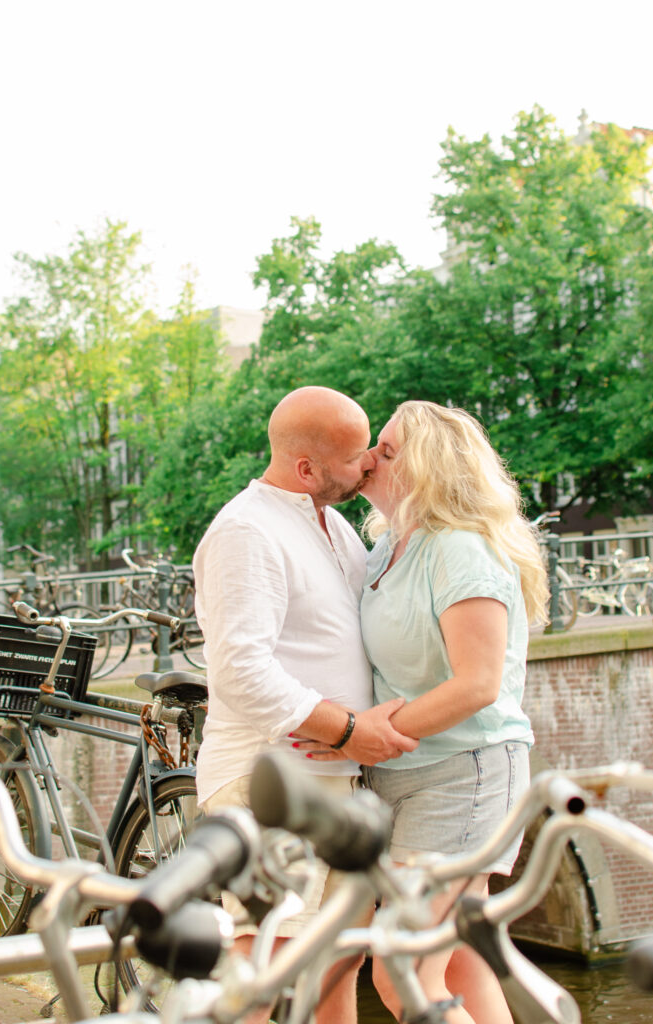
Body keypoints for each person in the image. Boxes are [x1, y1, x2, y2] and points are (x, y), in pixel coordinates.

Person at [308, 400, 548, 1024]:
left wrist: (359, 736)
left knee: (405, 970)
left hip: (464, 775)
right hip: (401, 779)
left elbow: (478, 685)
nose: (367, 461)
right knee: (460, 964)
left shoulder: (460, 550)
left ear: (427, 468)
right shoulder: (387, 548)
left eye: (385, 452)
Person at [192, 385, 417, 1024]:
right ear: (305, 468)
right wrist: (346, 728)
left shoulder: (332, 524)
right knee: (257, 967)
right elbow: (240, 670)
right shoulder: (246, 530)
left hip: (333, 783)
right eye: (354, 456)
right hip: (270, 783)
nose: (369, 463)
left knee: (337, 964)